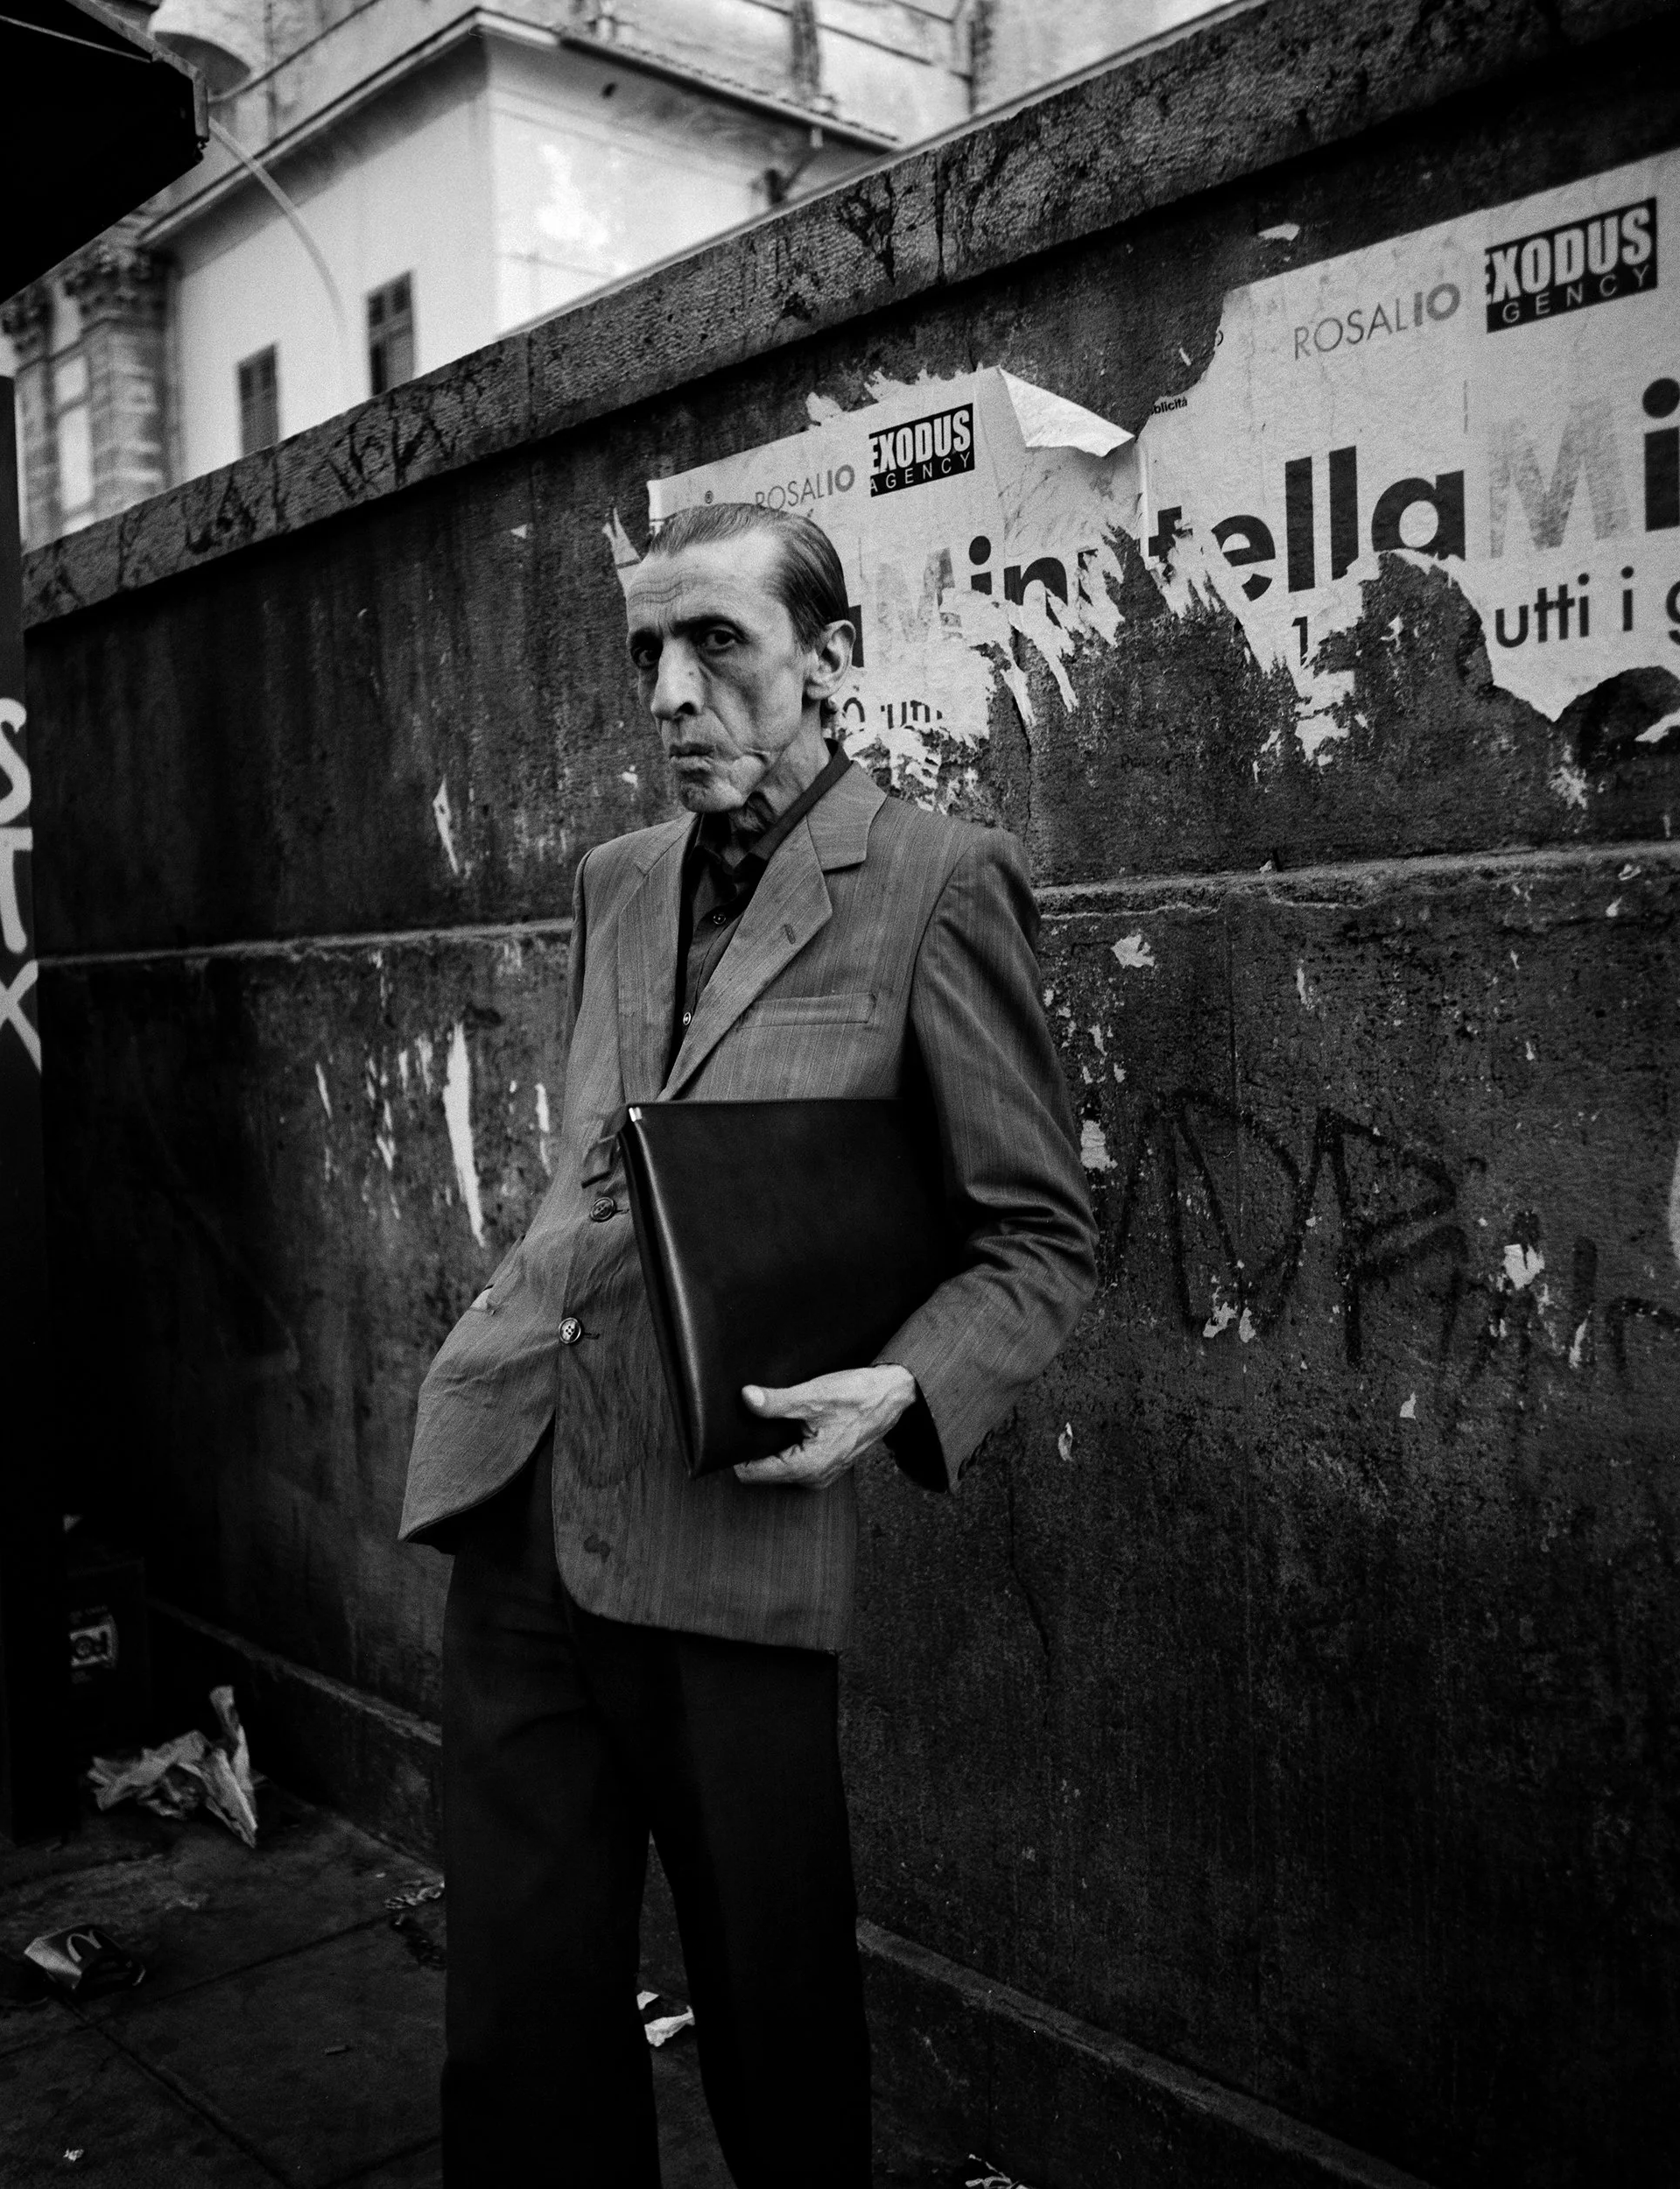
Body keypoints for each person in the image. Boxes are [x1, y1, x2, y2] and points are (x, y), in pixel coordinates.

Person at [397, 502, 1099, 2185]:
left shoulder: (936, 881)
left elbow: (1042, 1240)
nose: (671, 689)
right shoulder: (616, 883)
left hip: (730, 1537)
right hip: (518, 1491)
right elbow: (602, 1161)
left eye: (718, 642)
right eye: (647, 650)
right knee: (519, 2013)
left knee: (776, 2020)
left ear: (830, 657)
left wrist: (910, 1385)